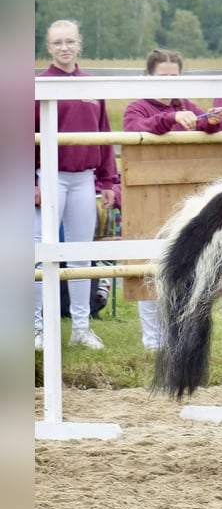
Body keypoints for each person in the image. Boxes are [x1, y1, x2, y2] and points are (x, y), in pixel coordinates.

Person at [122, 48, 222, 350]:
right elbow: (135, 129)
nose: (170, 81)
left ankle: (180, 339)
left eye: (174, 76)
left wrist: (211, 123)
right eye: (163, 76)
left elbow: (203, 129)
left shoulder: (188, 105)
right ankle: (153, 342)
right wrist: (170, 118)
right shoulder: (137, 107)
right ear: (149, 77)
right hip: (147, 199)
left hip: (182, 195)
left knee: (185, 265)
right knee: (147, 266)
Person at [34, 19, 119, 351]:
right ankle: (38, 326)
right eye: (58, 43)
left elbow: (104, 135)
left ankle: (81, 326)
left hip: (85, 177)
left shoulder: (90, 85)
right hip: (49, 176)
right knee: (42, 254)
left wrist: (108, 179)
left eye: (69, 41)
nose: (64, 47)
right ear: (49, 47)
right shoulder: (39, 85)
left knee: (82, 254)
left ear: (79, 44)